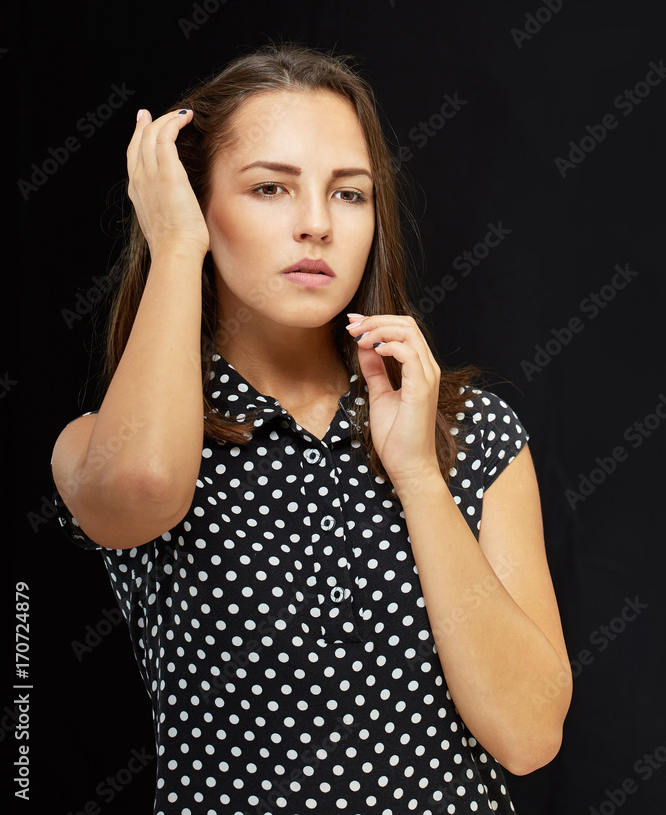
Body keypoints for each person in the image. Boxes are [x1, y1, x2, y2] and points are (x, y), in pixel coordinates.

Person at [51, 41, 572, 815]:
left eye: (351, 194)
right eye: (270, 188)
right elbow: (142, 486)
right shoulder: (110, 439)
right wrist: (176, 250)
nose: (318, 225)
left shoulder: (472, 429)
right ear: (195, 203)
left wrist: (421, 479)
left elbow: (529, 737)